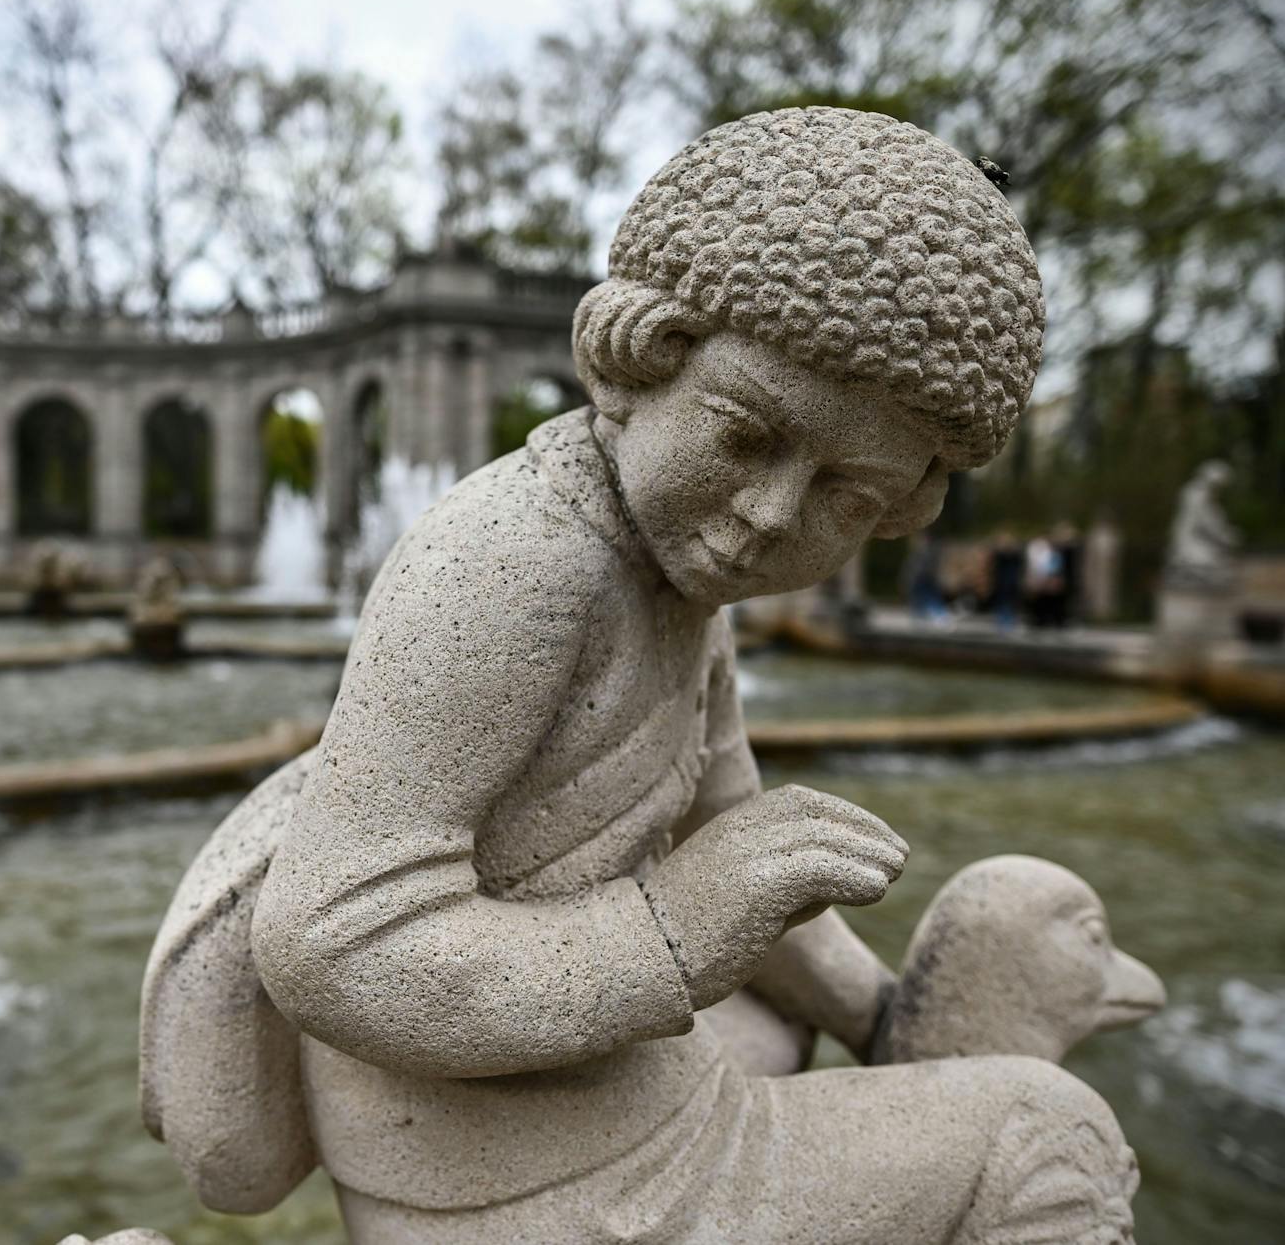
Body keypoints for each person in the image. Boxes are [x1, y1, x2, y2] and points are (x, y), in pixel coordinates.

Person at [149, 107, 1138, 1244]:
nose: (769, 515)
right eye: (744, 434)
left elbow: (732, 833)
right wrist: (680, 922)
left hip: (587, 1102)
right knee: (1038, 1126)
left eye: (845, 497)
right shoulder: (519, 560)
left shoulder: (676, 582)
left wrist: (881, 1018)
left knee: (774, 1029)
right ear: (640, 359)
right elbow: (330, 940)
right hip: (515, 1182)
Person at [988, 529, 1024, 630]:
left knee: (1011, 602)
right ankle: (1002, 621)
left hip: (1011, 582)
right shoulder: (999, 554)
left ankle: (1010, 621)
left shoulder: (1015, 554)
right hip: (1001, 582)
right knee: (1001, 602)